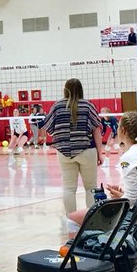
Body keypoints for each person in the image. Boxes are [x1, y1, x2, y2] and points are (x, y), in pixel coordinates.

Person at [70, 112, 137, 227]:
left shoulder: (130, 156)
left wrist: (117, 200)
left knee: (72, 220)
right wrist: (122, 195)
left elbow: (131, 201)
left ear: (123, 130)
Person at [39, 78, 104, 215]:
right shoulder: (88, 105)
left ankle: (71, 219)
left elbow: (47, 126)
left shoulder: (57, 106)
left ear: (65, 90)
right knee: (90, 188)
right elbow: (97, 129)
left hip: (64, 151)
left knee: (69, 188)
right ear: (81, 89)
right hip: (86, 149)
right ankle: (90, 219)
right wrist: (100, 152)